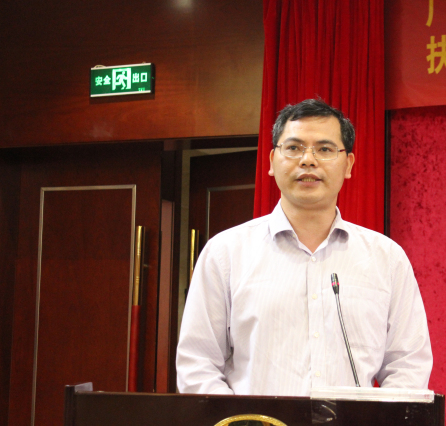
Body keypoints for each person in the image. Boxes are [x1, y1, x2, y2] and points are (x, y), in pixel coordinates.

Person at [176, 99, 432, 396]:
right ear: (272, 161)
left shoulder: (386, 258)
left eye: (324, 149)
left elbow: (408, 365)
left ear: (348, 165)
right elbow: (198, 365)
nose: (308, 160)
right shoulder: (225, 254)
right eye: (294, 148)